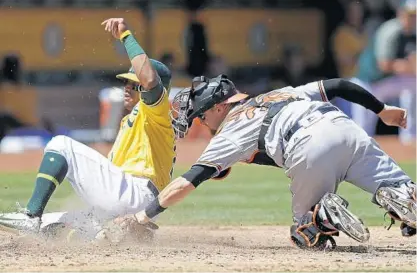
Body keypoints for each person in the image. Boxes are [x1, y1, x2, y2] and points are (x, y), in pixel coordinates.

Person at [117, 74, 415, 250]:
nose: (203, 124)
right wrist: (382, 109)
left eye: (203, 115)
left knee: (305, 236)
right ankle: (400, 194)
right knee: (402, 186)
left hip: (305, 146)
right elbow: (337, 84)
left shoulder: (229, 131)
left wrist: (144, 217)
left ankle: (320, 215)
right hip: (344, 127)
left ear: (221, 106)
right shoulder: (279, 93)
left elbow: (188, 181)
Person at [0, 18, 176, 240]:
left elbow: (149, 79)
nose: (128, 88)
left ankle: (31, 215)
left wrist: (125, 35)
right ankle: (112, 235)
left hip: (135, 191)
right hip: (134, 202)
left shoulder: (154, 110)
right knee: (53, 225)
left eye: (135, 84)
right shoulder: (136, 120)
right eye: (126, 83)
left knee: (60, 144)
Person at [351, 0, 416, 143]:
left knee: (414, 84)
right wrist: (409, 66)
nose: (413, 18)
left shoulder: (414, 32)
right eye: (410, 14)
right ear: (401, 13)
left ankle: (411, 138)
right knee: (362, 131)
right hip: (367, 83)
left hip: (387, 82)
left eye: (415, 15)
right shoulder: (391, 31)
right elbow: (384, 65)